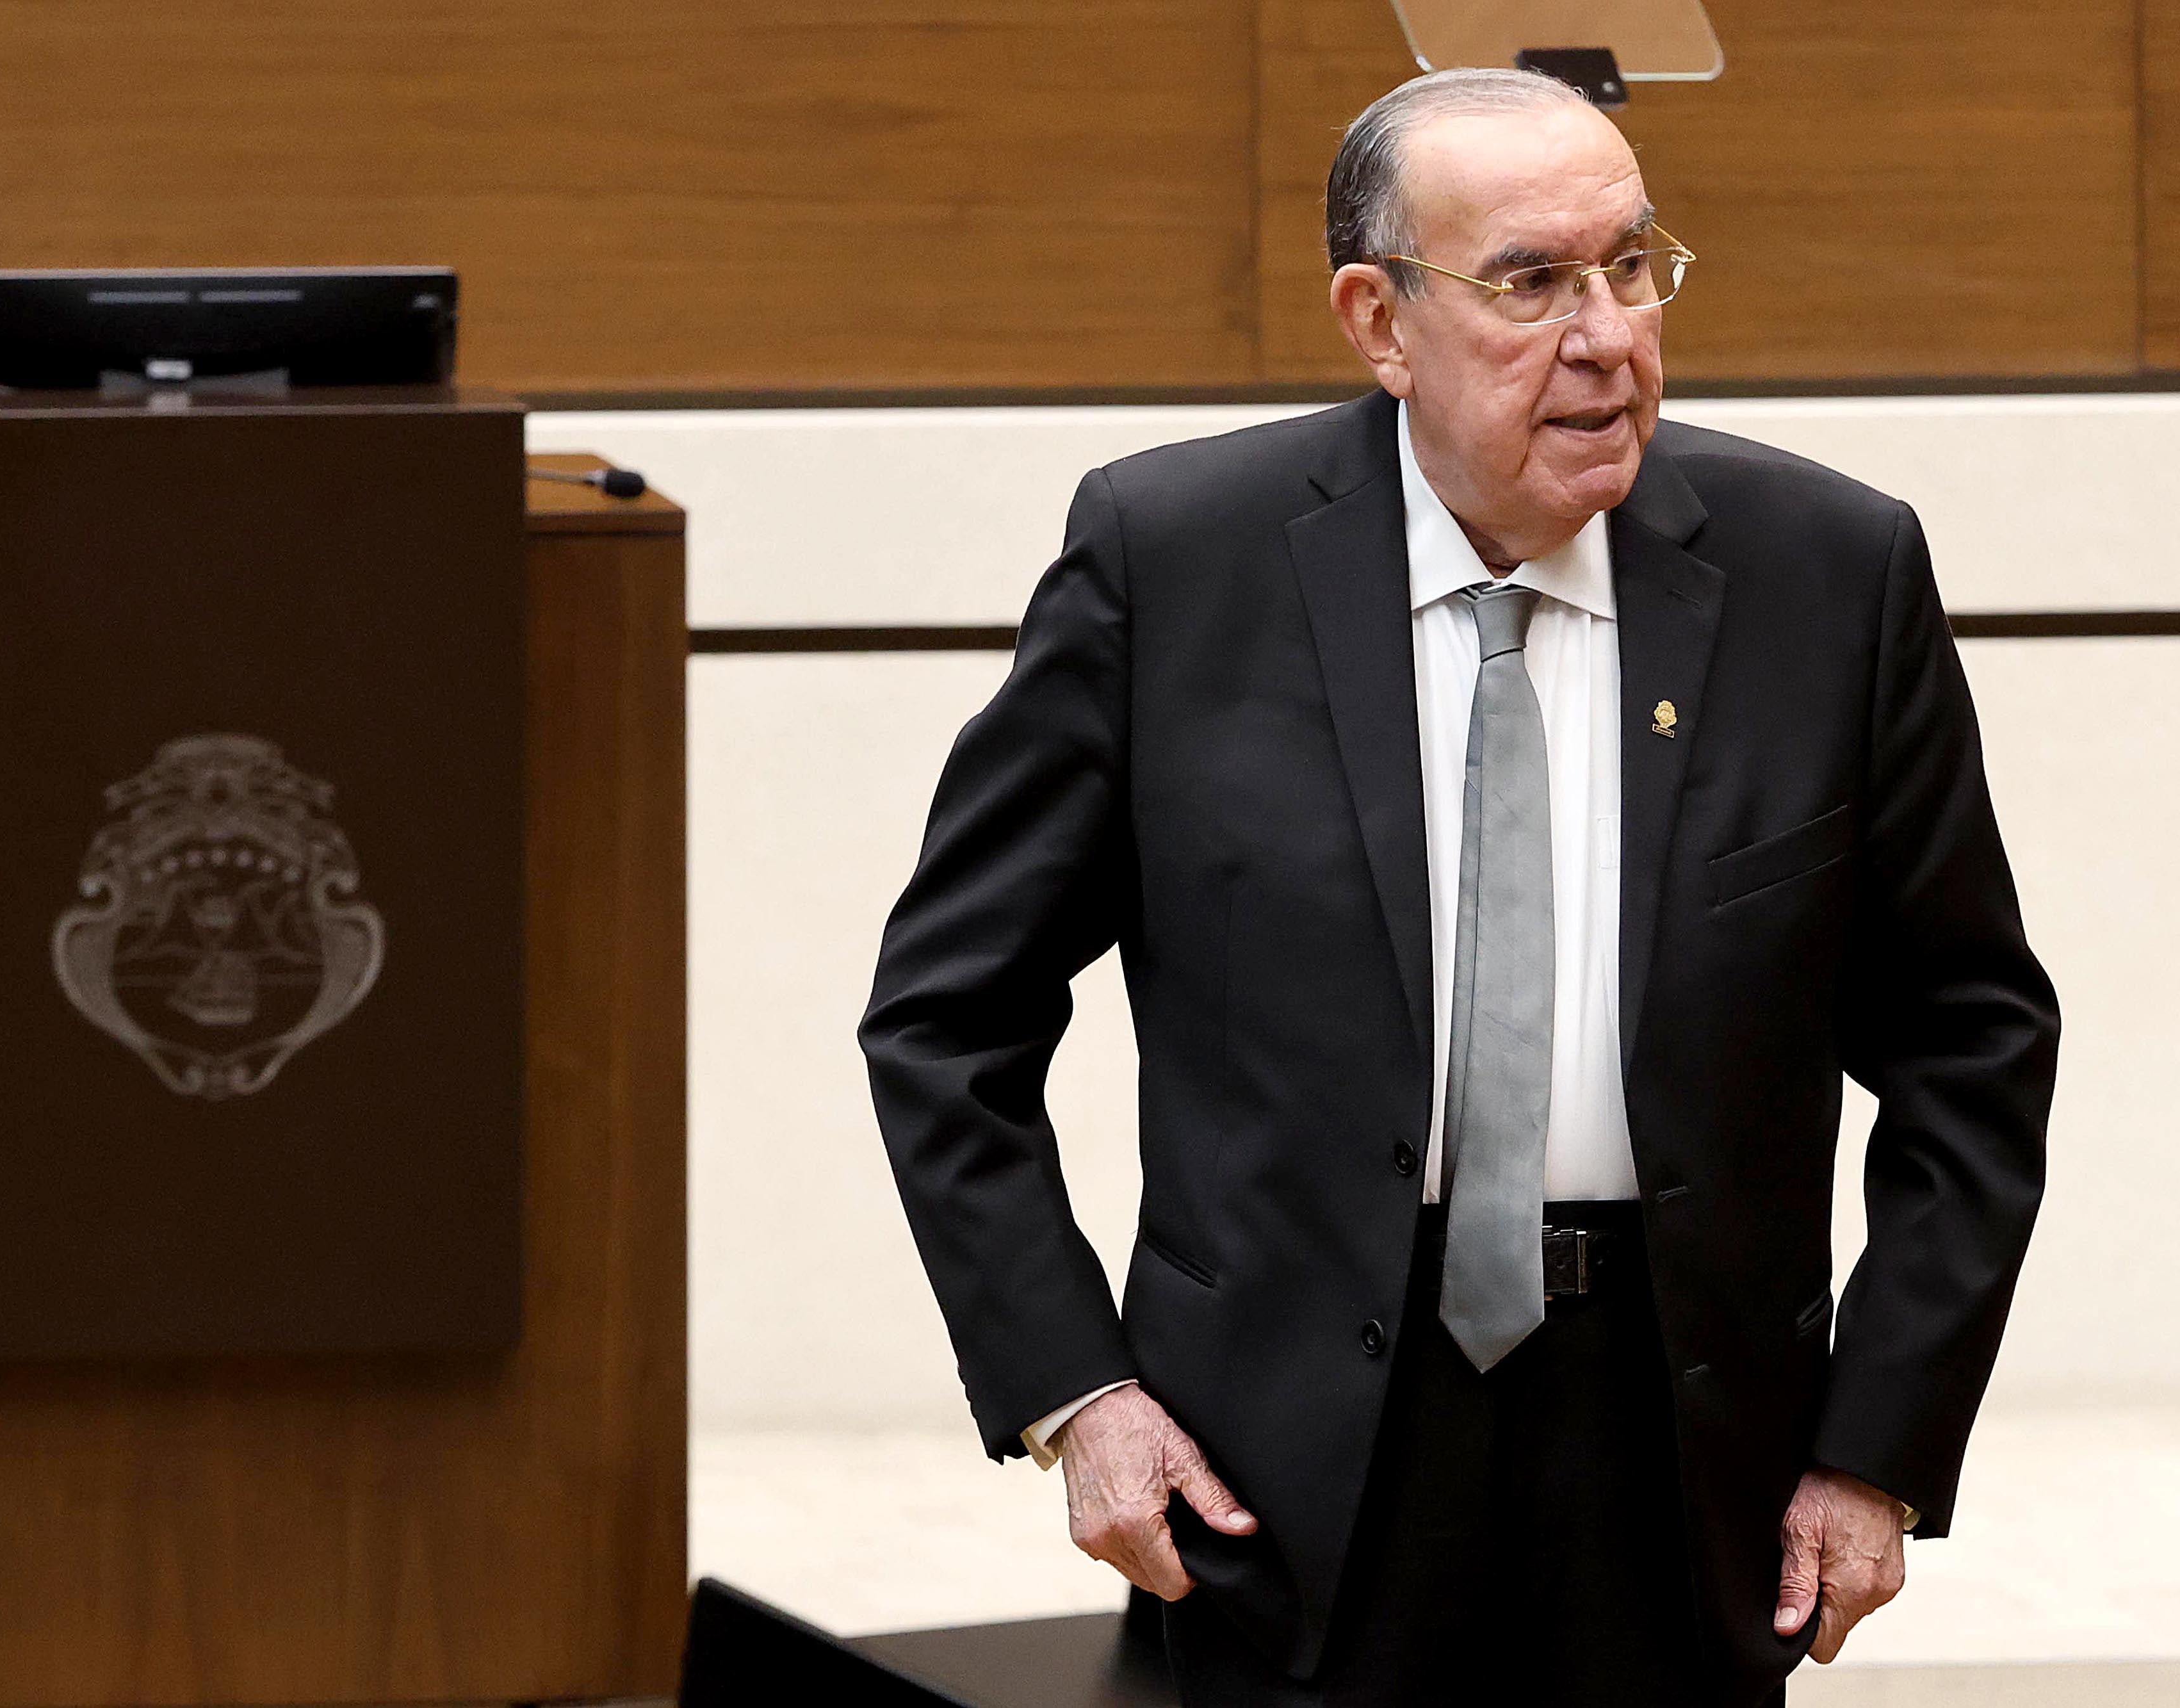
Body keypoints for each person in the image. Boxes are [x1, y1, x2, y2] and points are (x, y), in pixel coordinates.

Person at [860, 65, 2058, 1707]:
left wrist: (1879, 1445)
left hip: (1683, 1447)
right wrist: (1074, 1390)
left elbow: (1970, 1040)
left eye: (1630, 266)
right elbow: (946, 1015)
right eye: (1530, 282)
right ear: (1379, 321)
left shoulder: (1828, 572)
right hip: (1273, 1461)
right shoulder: (1172, 560)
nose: (1606, 336)